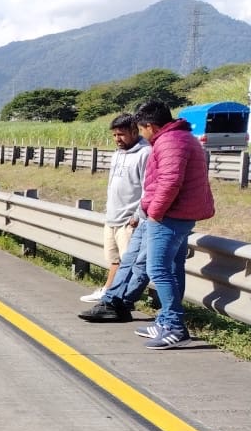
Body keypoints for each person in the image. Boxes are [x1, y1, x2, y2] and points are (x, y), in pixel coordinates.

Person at [131, 99, 216, 349]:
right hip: (180, 214)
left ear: (151, 126)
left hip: (170, 215)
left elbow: (169, 181)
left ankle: (175, 327)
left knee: (157, 269)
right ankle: (166, 320)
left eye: (142, 130)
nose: (143, 136)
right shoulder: (183, 137)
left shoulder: (169, 142)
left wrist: (154, 212)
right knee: (173, 267)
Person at [79, 114, 151, 303]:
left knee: (128, 262)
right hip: (112, 216)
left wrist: (137, 215)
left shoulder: (145, 153)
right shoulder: (118, 153)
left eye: (121, 134)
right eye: (114, 135)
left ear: (135, 132)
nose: (117, 139)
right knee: (114, 259)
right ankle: (109, 292)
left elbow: (148, 188)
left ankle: (116, 298)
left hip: (130, 219)